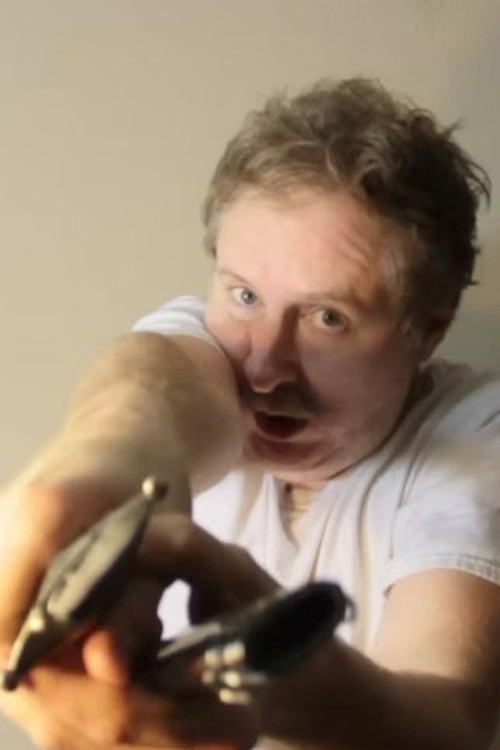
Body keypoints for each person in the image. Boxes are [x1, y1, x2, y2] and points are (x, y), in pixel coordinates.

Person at [1, 77, 500, 750]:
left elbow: (450, 724)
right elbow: (152, 392)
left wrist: (280, 691)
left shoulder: (481, 432)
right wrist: (91, 466)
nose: (263, 368)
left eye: (327, 318)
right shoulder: (206, 346)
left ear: (427, 332)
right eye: (244, 296)